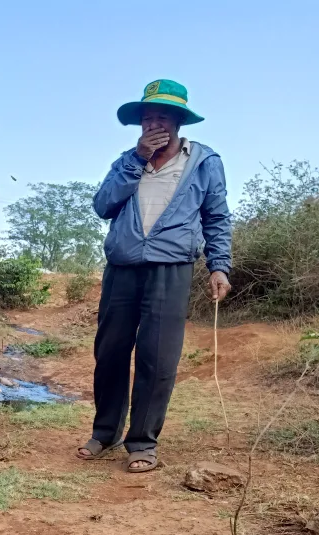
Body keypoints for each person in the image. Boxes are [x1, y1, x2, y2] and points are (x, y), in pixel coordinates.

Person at [78, 79, 232, 472]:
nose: (153, 124)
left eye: (162, 116)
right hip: (122, 267)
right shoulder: (127, 161)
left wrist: (219, 265)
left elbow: (216, 217)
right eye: (147, 117)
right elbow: (103, 205)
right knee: (110, 352)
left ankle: (143, 443)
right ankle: (105, 433)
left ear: (179, 121)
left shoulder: (204, 162)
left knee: (158, 357)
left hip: (172, 267)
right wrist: (137, 159)